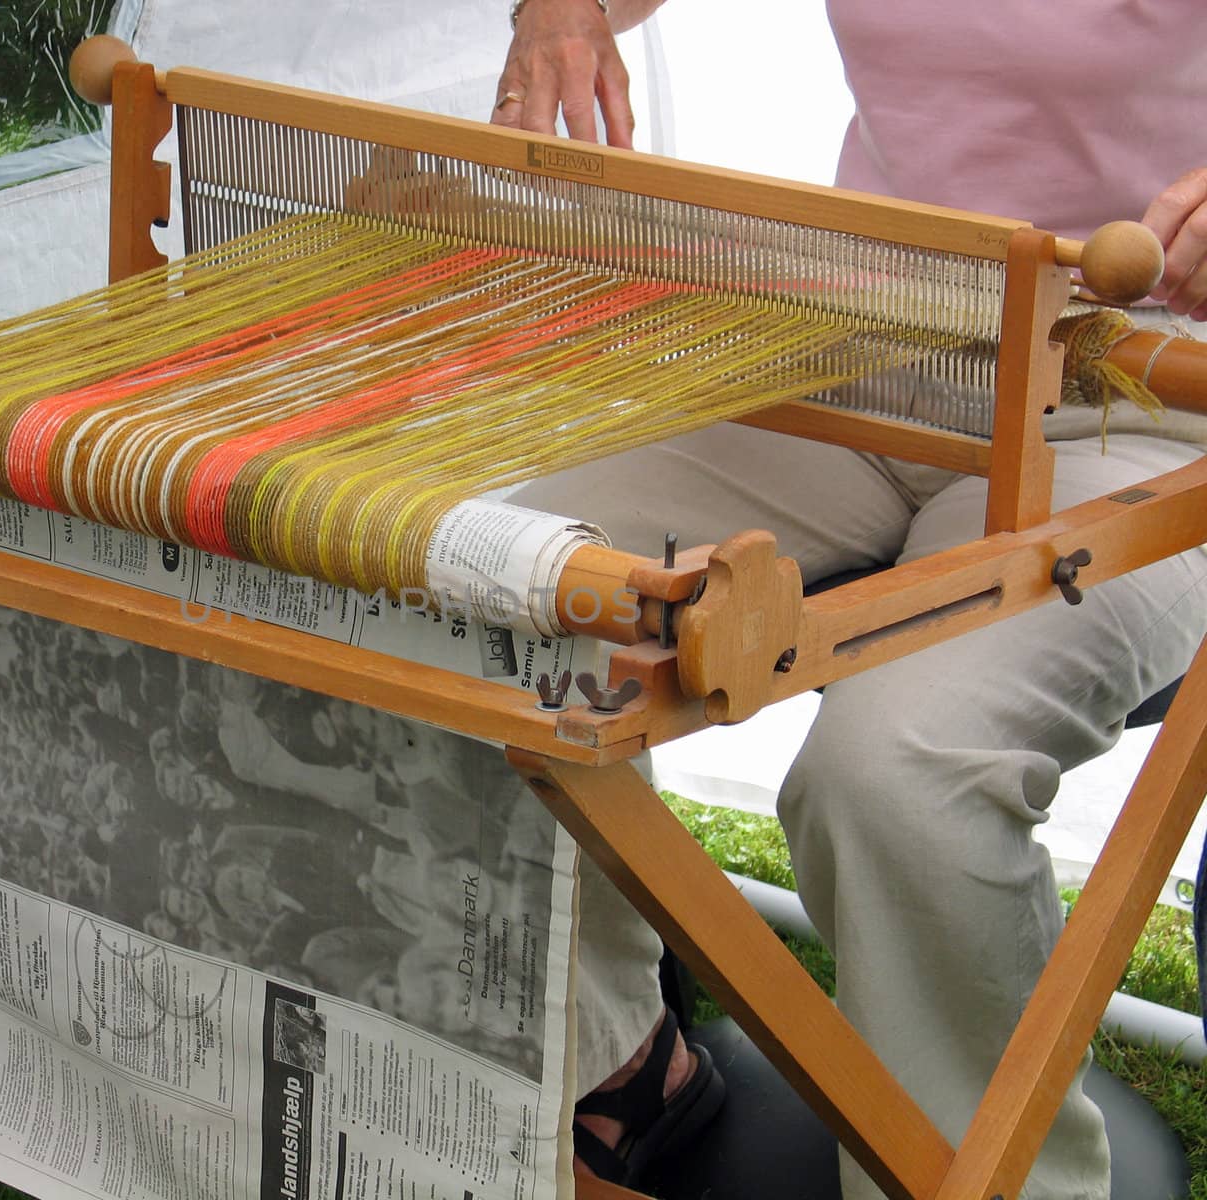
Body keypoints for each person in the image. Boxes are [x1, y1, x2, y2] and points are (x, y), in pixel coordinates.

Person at [486, 1, 1207, 1197]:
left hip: (1151, 391)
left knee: (897, 777)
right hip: (873, 346)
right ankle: (608, 1080)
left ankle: (995, 1183)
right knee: (485, 586)